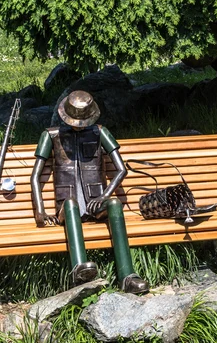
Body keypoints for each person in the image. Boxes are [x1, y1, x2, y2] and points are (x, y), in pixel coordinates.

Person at [30, 90, 149, 294]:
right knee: (70, 204)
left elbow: (122, 169)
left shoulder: (100, 132)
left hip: (96, 202)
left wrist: (105, 195)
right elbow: (34, 176)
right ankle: (79, 269)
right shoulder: (51, 135)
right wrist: (39, 211)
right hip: (67, 208)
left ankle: (127, 276)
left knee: (114, 204)